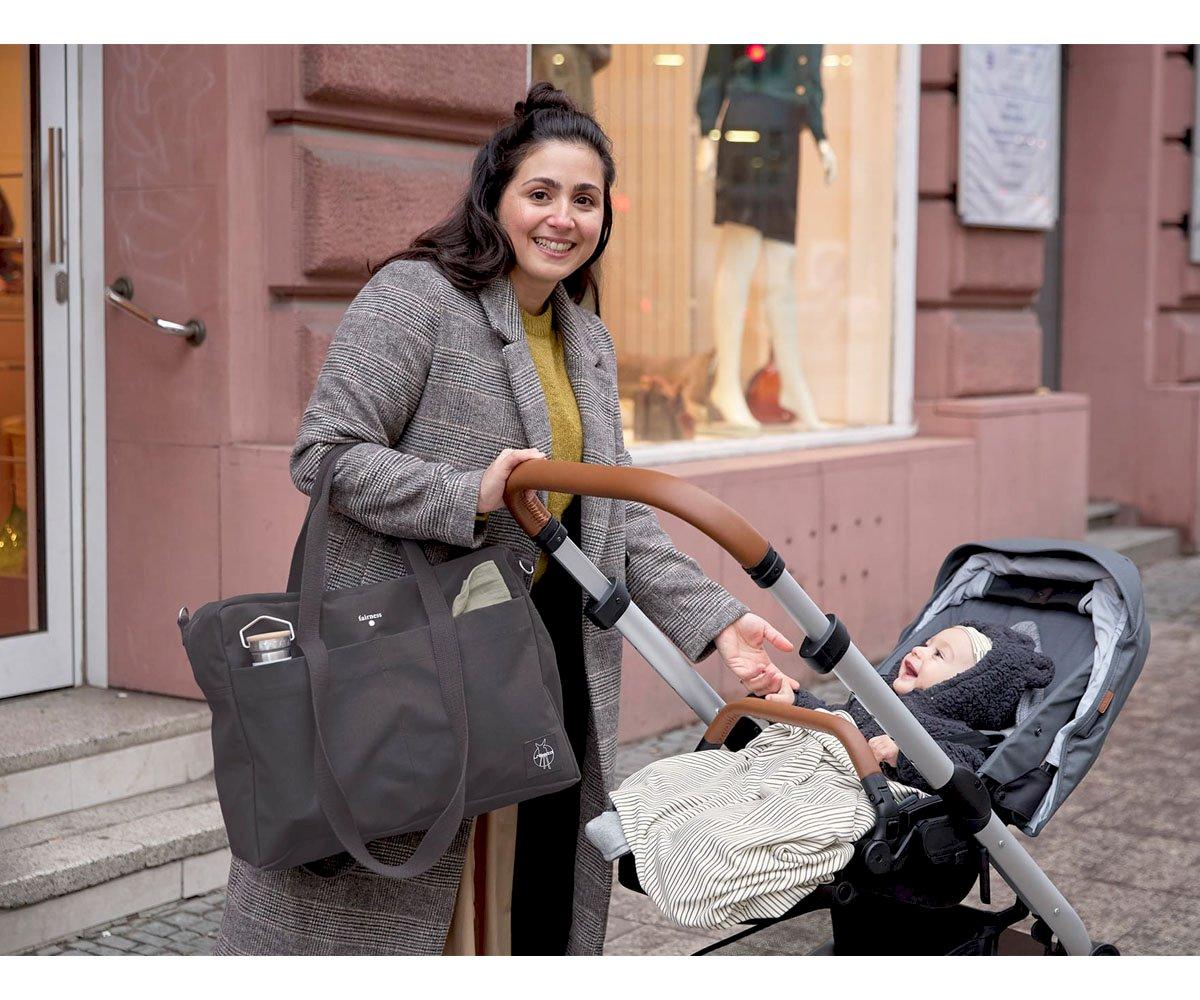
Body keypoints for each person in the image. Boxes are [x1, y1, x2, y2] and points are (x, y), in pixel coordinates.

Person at [214, 81, 797, 957]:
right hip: (421, 651)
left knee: (527, 888)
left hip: (543, 656)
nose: (563, 217)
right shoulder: (416, 299)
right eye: (542, 192)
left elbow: (617, 512)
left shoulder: (585, 338)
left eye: (586, 199)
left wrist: (716, 627)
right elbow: (325, 455)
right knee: (407, 890)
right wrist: (467, 494)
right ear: (495, 199)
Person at [746, 622, 1055, 792]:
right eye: (927, 643)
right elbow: (836, 718)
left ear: (970, 686)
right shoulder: (879, 699)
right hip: (806, 772)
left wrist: (902, 755)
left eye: (938, 655)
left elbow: (962, 766)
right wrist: (796, 702)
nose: (919, 650)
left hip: (848, 795)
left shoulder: (954, 732)